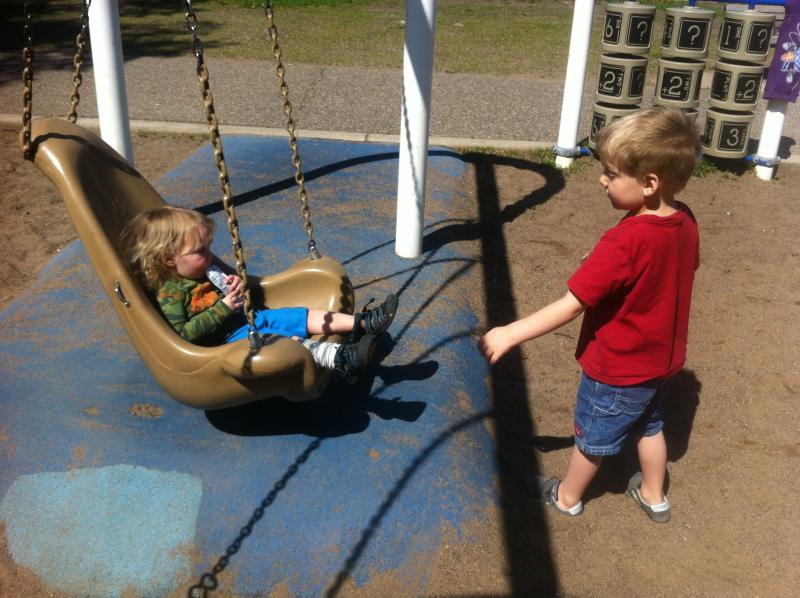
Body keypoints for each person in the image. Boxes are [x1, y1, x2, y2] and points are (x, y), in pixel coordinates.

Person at [477, 107, 701, 523]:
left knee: (592, 438)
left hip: (618, 367)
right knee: (650, 425)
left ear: (650, 183)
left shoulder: (624, 241)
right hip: (662, 362)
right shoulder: (685, 220)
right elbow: (666, 270)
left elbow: (572, 304)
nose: (602, 180)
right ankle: (654, 495)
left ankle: (567, 497)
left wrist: (511, 333)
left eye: (612, 174)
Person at [122, 206, 398, 376]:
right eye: (199, 250)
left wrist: (235, 285)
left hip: (249, 319)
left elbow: (233, 292)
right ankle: (340, 358)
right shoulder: (170, 294)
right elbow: (183, 334)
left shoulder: (202, 270)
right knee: (282, 340)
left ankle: (362, 323)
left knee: (298, 315)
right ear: (169, 259)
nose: (209, 254)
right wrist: (223, 308)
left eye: (208, 247)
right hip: (228, 341)